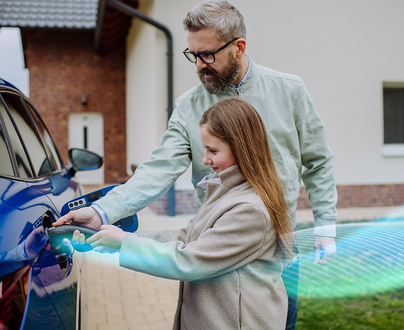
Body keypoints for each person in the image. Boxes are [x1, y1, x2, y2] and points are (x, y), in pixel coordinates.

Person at [53, 0, 338, 329]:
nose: (199, 65)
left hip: (275, 248)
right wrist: (104, 212)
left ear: (239, 47)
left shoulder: (289, 91)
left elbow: (317, 162)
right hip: (213, 241)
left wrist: (326, 225)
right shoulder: (189, 107)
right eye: (193, 55)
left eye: (207, 55)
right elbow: (160, 168)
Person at [89, 97, 296, 329]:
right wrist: (131, 238)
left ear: (241, 148)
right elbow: (190, 236)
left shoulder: (250, 210)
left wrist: (125, 245)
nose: (205, 159)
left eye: (213, 150)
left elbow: (191, 261)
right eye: (204, 149)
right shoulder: (227, 189)